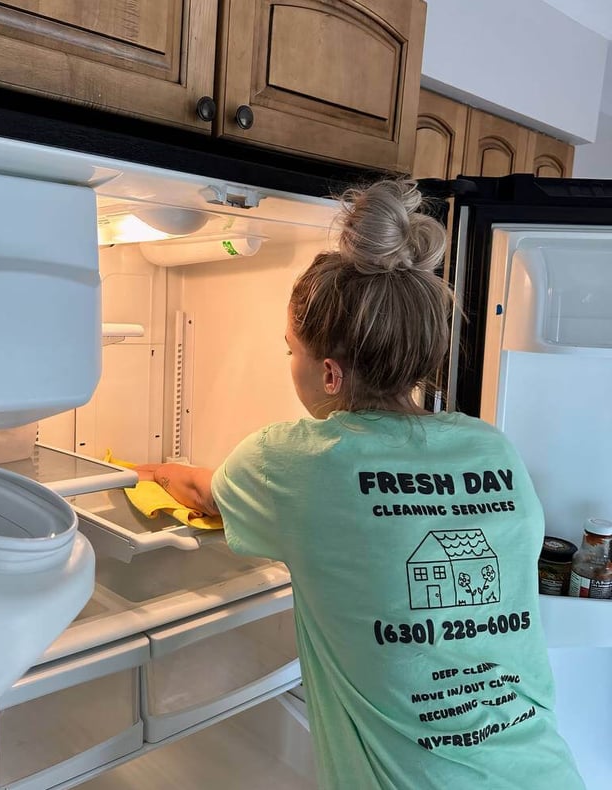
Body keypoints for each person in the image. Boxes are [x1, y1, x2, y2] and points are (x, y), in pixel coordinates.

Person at [137, 178, 584, 790]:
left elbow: (198, 491)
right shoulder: (492, 449)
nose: (289, 363)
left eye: (289, 350)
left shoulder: (296, 462)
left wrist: (141, 471)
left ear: (329, 373)